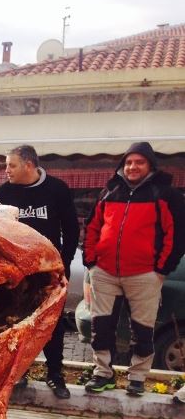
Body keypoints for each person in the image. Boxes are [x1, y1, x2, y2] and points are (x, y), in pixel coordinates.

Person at [83, 142, 185, 396]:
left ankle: (137, 377)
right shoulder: (110, 190)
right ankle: (103, 373)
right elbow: (93, 225)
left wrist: (162, 269)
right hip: (104, 273)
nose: (132, 167)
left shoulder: (165, 194)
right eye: (128, 162)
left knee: (142, 330)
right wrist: (91, 260)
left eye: (139, 162)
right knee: (101, 327)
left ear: (150, 165)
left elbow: (177, 234)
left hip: (144, 275)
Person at [0, 144, 79, 399]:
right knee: (16, 323)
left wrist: (64, 263)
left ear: (29, 165)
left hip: (49, 273)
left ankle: (55, 375)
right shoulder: (3, 192)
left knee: (53, 324)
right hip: (17, 276)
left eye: (11, 165)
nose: (6, 170)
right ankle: (19, 373)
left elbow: (72, 229)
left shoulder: (57, 189)